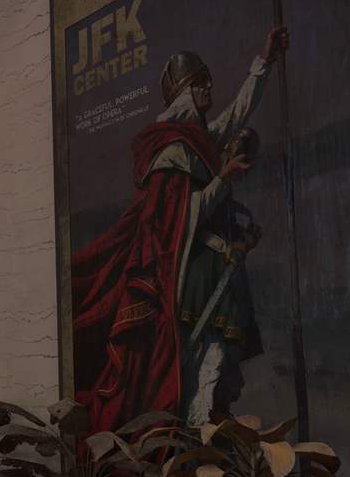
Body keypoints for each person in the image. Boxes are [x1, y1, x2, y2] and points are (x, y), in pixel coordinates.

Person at [71, 25, 289, 433]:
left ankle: (209, 425)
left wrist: (265, 62)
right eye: (201, 83)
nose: (209, 89)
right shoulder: (173, 151)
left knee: (218, 355)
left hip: (213, 266)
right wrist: (222, 178)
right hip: (189, 273)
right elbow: (183, 219)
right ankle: (198, 426)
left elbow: (237, 114)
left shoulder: (197, 140)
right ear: (186, 93)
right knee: (205, 356)